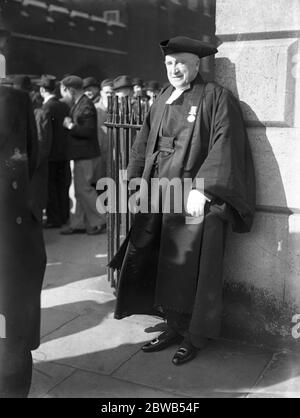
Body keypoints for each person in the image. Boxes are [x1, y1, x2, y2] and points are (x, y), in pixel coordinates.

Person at [110, 36, 256, 366]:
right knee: (165, 260)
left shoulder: (216, 97)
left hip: (192, 198)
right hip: (158, 193)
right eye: (169, 64)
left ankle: (195, 335)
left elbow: (226, 144)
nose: (174, 69)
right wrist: (133, 182)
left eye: (181, 63)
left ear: (195, 65)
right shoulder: (162, 98)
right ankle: (174, 325)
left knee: (194, 268)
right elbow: (143, 142)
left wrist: (204, 190)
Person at [0, 77, 47, 397]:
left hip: (9, 238)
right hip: (11, 235)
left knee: (10, 334)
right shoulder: (14, 100)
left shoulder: (13, 101)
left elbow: (29, 161)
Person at [60, 75, 106, 235]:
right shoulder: (81, 103)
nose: (62, 96)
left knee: (84, 189)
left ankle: (100, 220)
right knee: (79, 190)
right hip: (83, 154)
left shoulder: (85, 105)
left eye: (63, 91)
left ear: (70, 90)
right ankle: (78, 223)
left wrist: (70, 125)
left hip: (85, 155)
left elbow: (88, 130)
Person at [38, 75, 71, 228]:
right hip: (64, 153)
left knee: (51, 188)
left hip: (50, 155)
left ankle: (54, 219)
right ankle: (64, 216)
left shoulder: (46, 108)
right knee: (63, 186)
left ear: (42, 90)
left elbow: (45, 135)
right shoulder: (64, 106)